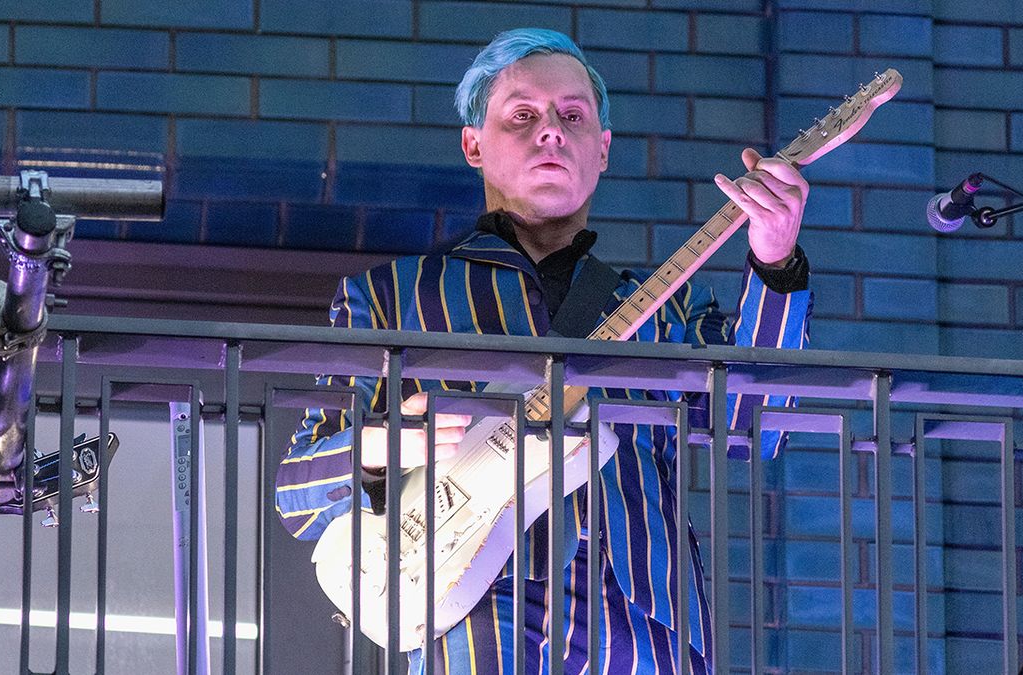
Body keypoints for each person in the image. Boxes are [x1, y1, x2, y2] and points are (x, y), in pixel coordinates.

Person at [275, 28, 811, 674]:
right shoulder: (390, 297)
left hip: (644, 621)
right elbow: (297, 488)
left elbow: (758, 423)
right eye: (523, 115)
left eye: (573, 116)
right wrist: (381, 444)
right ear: (473, 143)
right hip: (476, 620)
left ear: (603, 149)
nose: (551, 130)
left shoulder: (665, 306)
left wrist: (776, 259)